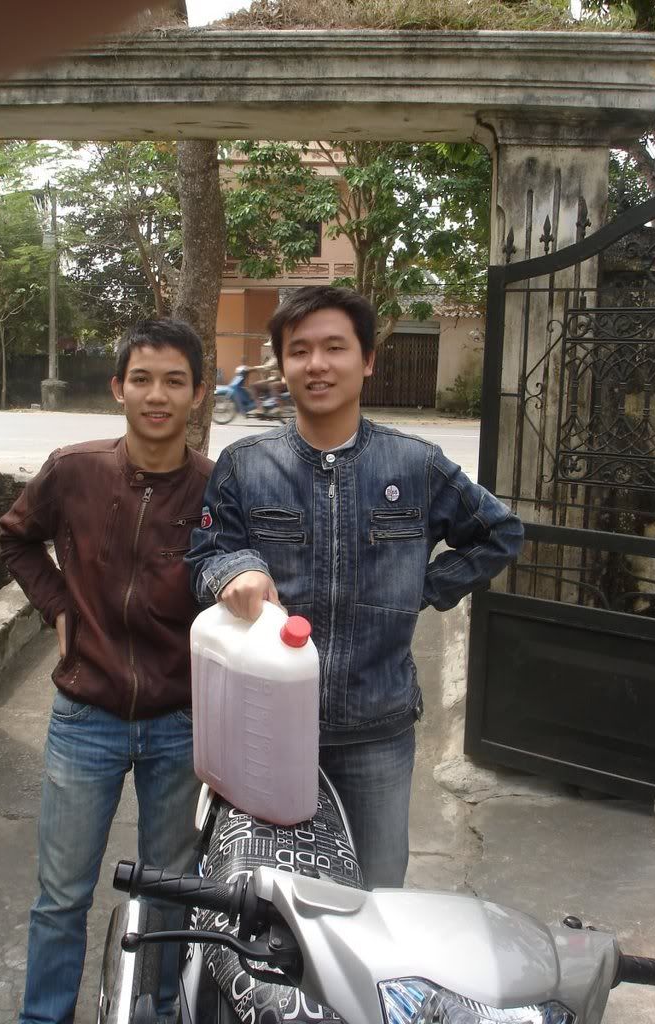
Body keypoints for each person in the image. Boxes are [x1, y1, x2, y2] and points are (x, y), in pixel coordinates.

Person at [186, 286, 524, 890]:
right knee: (268, 900)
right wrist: (235, 570)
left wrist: (423, 586)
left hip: (377, 732)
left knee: (377, 899)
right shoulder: (246, 464)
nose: (316, 364)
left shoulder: (415, 464)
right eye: (299, 351)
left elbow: (499, 533)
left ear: (367, 360)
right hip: (265, 729)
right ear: (282, 364)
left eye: (335, 348)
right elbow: (206, 553)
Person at [0, 317, 212, 1024]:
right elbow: (15, 538)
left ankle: (158, 1010)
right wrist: (57, 606)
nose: (157, 395)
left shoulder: (218, 488)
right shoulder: (73, 470)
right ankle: (45, 1016)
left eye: (174, 381)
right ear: (119, 387)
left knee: (169, 895)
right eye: (142, 379)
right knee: (61, 895)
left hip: (180, 722)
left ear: (198, 393)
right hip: (84, 715)